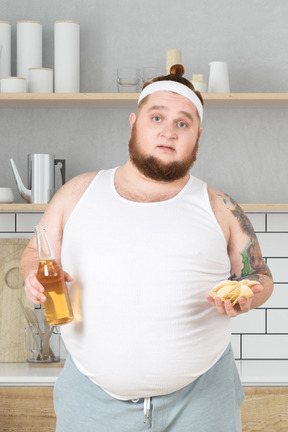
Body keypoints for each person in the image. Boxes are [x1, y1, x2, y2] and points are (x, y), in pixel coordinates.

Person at [20, 64, 273, 432]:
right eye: (157, 117)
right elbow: (34, 253)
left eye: (183, 124)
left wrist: (248, 294)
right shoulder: (77, 193)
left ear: (198, 136)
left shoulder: (221, 206)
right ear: (135, 122)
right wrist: (33, 276)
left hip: (201, 401)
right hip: (91, 402)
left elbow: (258, 274)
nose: (168, 131)